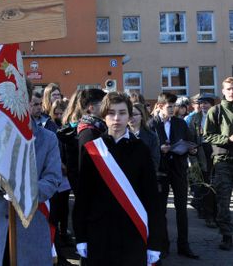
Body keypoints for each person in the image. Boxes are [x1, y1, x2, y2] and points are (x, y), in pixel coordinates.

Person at [73, 92, 161, 266]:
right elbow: (83, 196)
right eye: (111, 113)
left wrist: (155, 242)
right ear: (104, 116)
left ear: (129, 115)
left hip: (132, 232)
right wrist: (81, 236)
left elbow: (152, 198)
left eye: (122, 113)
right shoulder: (91, 149)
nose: (116, 118)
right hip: (99, 232)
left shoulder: (140, 149)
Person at [0, 80, 62, 265]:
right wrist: (1, 183)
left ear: (27, 101)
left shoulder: (47, 139)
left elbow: (53, 179)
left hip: (32, 230)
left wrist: (25, 190)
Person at [149, 92, 199, 259]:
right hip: (161, 172)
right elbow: (148, 148)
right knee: (161, 210)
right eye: (169, 106)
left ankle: (184, 245)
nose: (172, 109)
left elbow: (190, 142)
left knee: (181, 210)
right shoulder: (152, 124)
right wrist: (160, 150)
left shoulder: (180, 123)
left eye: (174, 106)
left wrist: (192, 149)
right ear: (160, 106)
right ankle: (163, 245)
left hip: (178, 170)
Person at [204, 77, 233, 250]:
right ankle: (227, 236)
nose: (232, 91)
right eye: (229, 88)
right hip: (223, 161)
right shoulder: (216, 111)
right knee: (223, 201)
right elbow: (207, 135)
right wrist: (227, 139)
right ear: (223, 91)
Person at [186, 93, 215, 224]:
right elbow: (190, 136)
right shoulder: (194, 118)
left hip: (215, 150)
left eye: (206, 103)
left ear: (212, 104)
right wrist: (193, 149)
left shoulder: (217, 115)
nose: (203, 106)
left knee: (212, 184)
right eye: (201, 103)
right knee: (203, 182)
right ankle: (205, 210)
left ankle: (207, 209)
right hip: (200, 152)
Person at [129, 102, 160, 172]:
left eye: (135, 114)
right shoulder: (121, 134)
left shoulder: (151, 136)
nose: (131, 117)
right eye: (129, 114)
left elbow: (155, 161)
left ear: (142, 116)